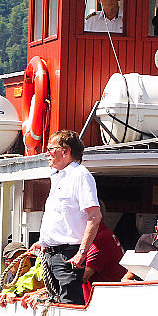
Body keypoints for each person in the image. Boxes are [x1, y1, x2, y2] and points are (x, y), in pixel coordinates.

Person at [38, 129, 102, 306]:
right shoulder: (58, 177)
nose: (47, 153)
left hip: (68, 254)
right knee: (57, 302)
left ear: (66, 151)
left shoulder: (80, 175)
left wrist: (81, 253)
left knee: (69, 303)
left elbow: (95, 217)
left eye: (51, 149)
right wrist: (43, 242)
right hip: (52, 254)